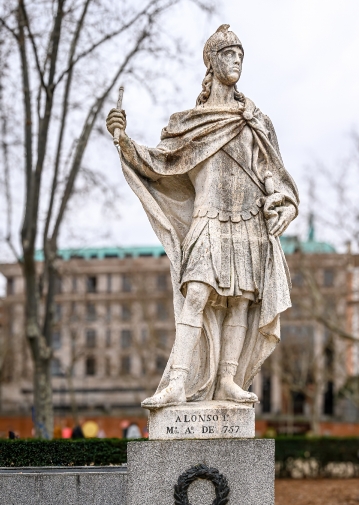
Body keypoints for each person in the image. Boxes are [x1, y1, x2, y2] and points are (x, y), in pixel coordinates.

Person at [106, 25, 299, 409]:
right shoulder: (189, 124)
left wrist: (285, 205)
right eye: (229, 54)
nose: (236, 61)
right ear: (212, 62)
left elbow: (277, 179)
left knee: (240, 303)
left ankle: (228, 379)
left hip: (248, 223)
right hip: (207, 218)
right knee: (196, 295)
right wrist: (125, 141)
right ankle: (178, 382)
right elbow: (160, 163)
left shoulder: (256, 121)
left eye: (240, 55)